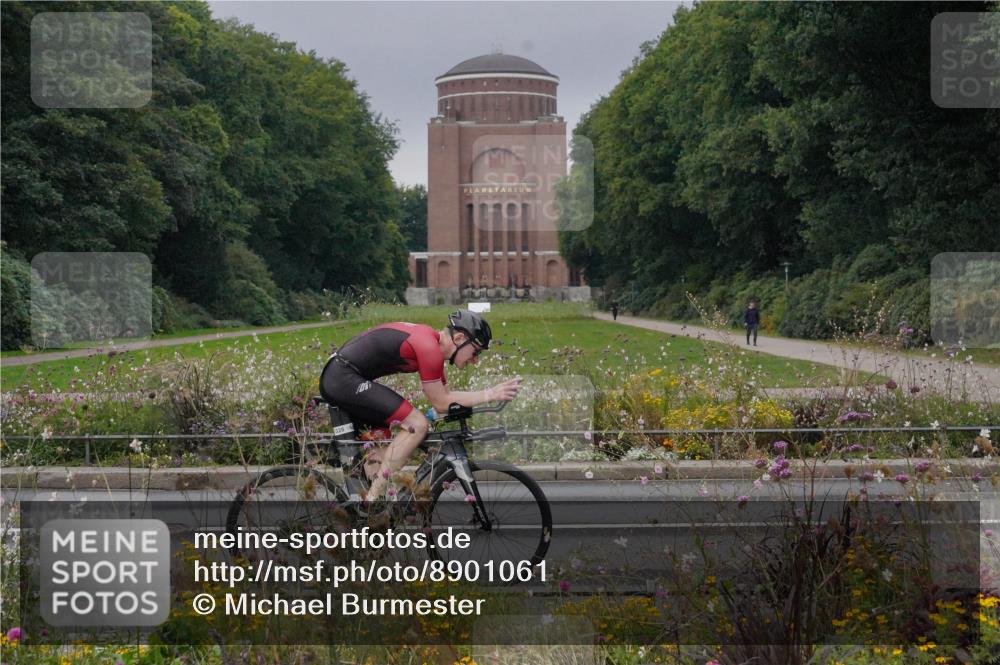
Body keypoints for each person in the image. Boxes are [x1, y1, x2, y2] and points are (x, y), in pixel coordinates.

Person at [319, 310, 521, 500]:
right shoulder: (428, 346)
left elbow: (446, 399)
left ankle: (371, 512)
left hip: (345, 376)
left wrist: (488, 397)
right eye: (475, 351)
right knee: (417, 424)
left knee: (384, 443)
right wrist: (490, 394)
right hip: (342, 377)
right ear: (459, 338)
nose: (475, 360)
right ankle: (373, 502)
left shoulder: (432, 346)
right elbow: (442, 402)